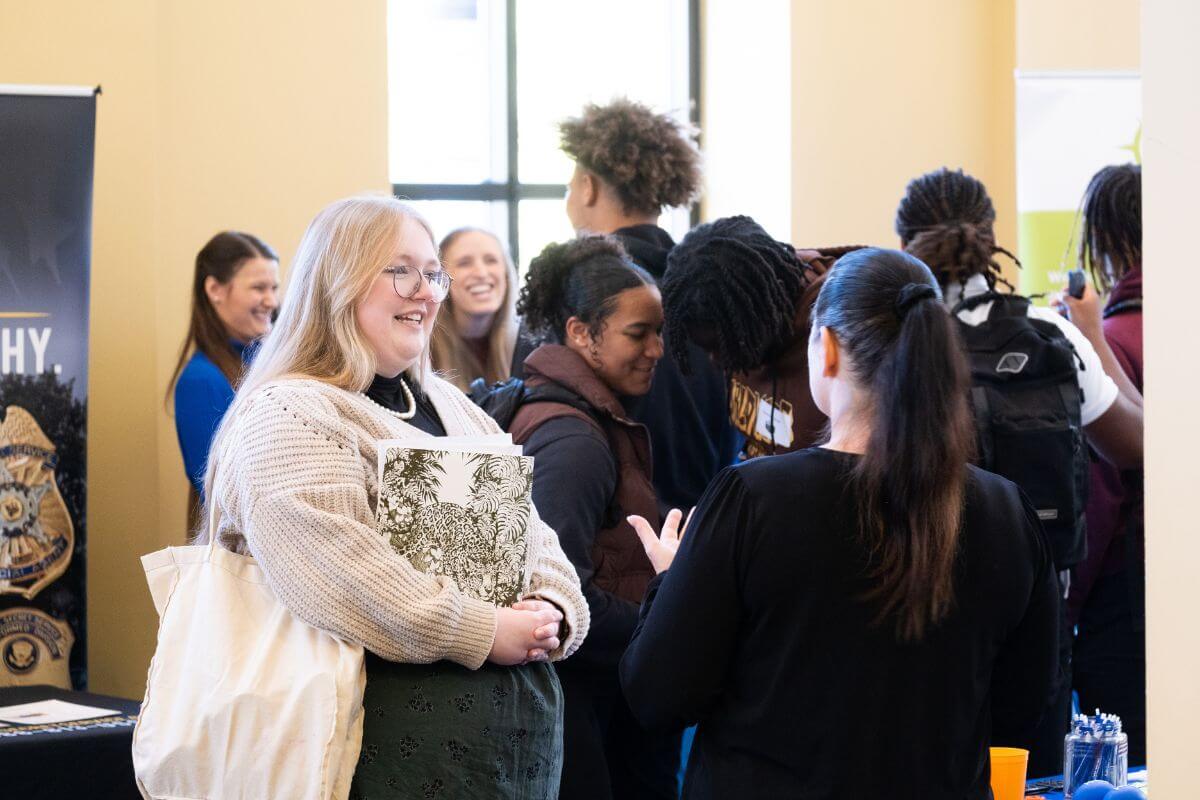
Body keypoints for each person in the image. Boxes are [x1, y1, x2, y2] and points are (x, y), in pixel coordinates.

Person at [620, 248, 1060, 799]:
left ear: (825, 346)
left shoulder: (753, 498)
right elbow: (1022, 711)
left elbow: (658, 695)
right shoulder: (1005, 511)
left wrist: (670, 580)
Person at [200, 196, 590, 798]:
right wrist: (485, 632)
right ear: (337, 282)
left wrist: (552, 609)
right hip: (371, 762)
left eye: (432, 274)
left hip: (507, 765)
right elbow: (340, 572)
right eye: (401, 271)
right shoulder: (289, 413)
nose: (428, 292)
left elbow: (534, 534)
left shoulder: (455, 409)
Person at [895, 167, 1144, 776]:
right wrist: (1092, 336)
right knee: (1030, 782)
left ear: (904, 246)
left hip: (911, 613)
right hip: (1035, 622)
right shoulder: (1050, 335)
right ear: (991, 239)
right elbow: (1137, 447)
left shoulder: (885, 342)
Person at [506, 236, 677, 800]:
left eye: (659, 332)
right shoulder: (575, 440)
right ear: (581, 333)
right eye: (637, 334)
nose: (656, 349)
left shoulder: (587, 417)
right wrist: (665, 627)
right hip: (580, 712)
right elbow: (559, 591)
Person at [512, 97, 739, 514]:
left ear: (587, 186)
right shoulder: (713, 298)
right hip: (699, 539)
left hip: (597, 545)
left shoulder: (569, 300)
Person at [662, 215, 860, 459]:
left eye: (721, 345)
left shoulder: (839, 332)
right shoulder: (746, 313)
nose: (715, 360)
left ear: (756, 315)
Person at [1066, 163, 1146, 763]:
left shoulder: (1109, 340)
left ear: (1108, 242)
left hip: (1128, 609)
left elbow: (1100, 496)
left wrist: (1066, 609)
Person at [167, 231, 279, 512]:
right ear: (215, 289)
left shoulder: (268, 365)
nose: (271, 301)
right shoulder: (201, 382)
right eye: (258, 288)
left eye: (274, 288)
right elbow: (221, 495)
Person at [430, 226, 518, 391]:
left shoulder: (528, 346)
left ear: (506, 273)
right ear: (441, 277)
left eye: (491, 260)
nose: (481, 273)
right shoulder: (424, 353)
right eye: (464, 263)